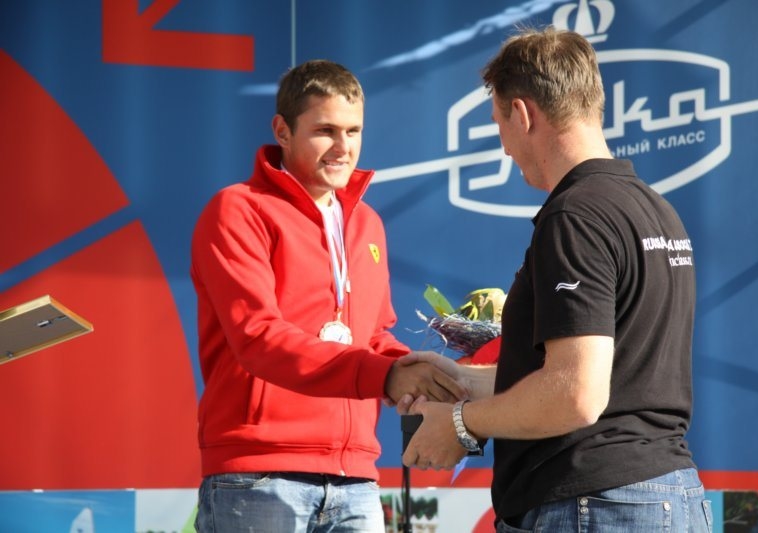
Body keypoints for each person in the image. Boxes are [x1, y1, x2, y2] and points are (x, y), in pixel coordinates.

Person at [399, 27, 712, 531]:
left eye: (499, 124)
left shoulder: (575, 216)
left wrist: (459, 423)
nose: (504, 148)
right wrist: (461, 380)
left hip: (595, 503)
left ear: (522, 115)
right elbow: (611, 380)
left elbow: (576, 395)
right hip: (667, 496)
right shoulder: (655, 210)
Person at [190, 59, 466, 533]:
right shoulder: (239, 210)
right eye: (325, 131)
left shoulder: (367, 223)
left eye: (354, 131)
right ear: (283, 130)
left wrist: (424, 376)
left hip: (355, 476)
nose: (343, 148)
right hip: (261, 472)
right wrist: (385, 376)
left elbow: (373, 338)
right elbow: (258, 337)